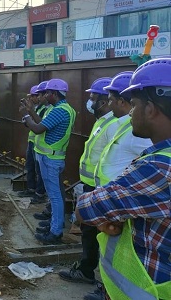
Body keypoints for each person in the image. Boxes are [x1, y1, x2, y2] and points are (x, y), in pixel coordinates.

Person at [76, 57, 171, 300]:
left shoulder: (158, 167)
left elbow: (86, 210)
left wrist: (110, 217)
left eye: (134, 104)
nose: (130, 111)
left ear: (150, 109)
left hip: (149, 290)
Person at [58, 77, 118, 286]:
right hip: (92, 185)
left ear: (104, 100)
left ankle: (90, 273)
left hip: (101, 187)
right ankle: (87, 269)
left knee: (96, 233)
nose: (89, 101)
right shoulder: (103, 120)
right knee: (89, 231)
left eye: (93, 97)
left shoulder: (115, 124)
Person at [20, 78, 76, 244]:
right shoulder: (59, 108)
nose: (44, 95)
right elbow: (41, 123)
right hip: (50, 157)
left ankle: (55, 231)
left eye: (46, 93)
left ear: (54, 94)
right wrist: (31, 112)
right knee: (56, 194)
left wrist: (25, 115)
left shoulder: (60, 111)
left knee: (55, 196)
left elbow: (37, 129)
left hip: (51, 158)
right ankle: (54, 223)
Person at [18, 84, 50, 200]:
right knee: (30, 166)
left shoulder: (45, 110)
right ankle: (31, 188)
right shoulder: (38, 108)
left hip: (40, 144)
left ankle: (39, 193)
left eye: (34, 96)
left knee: (39, 170)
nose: (31, 99)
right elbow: (28, 123)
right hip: (33, 141)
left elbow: (37, 125)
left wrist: (27, 116)